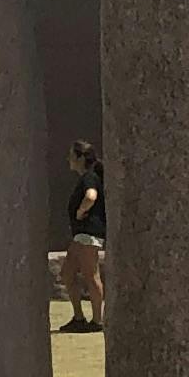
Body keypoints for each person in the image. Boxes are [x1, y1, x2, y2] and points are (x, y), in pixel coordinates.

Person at [59, 140, 107, 331]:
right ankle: (78, 317)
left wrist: (80, 211)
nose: (68, 159)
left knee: (90, 274)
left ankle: (97, 321)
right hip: (81, 235)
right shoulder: (87, 177)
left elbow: (91, 196)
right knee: (67, 273)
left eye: (71, 155)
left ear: (80, 158)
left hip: (89, 233)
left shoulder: (89, 178)